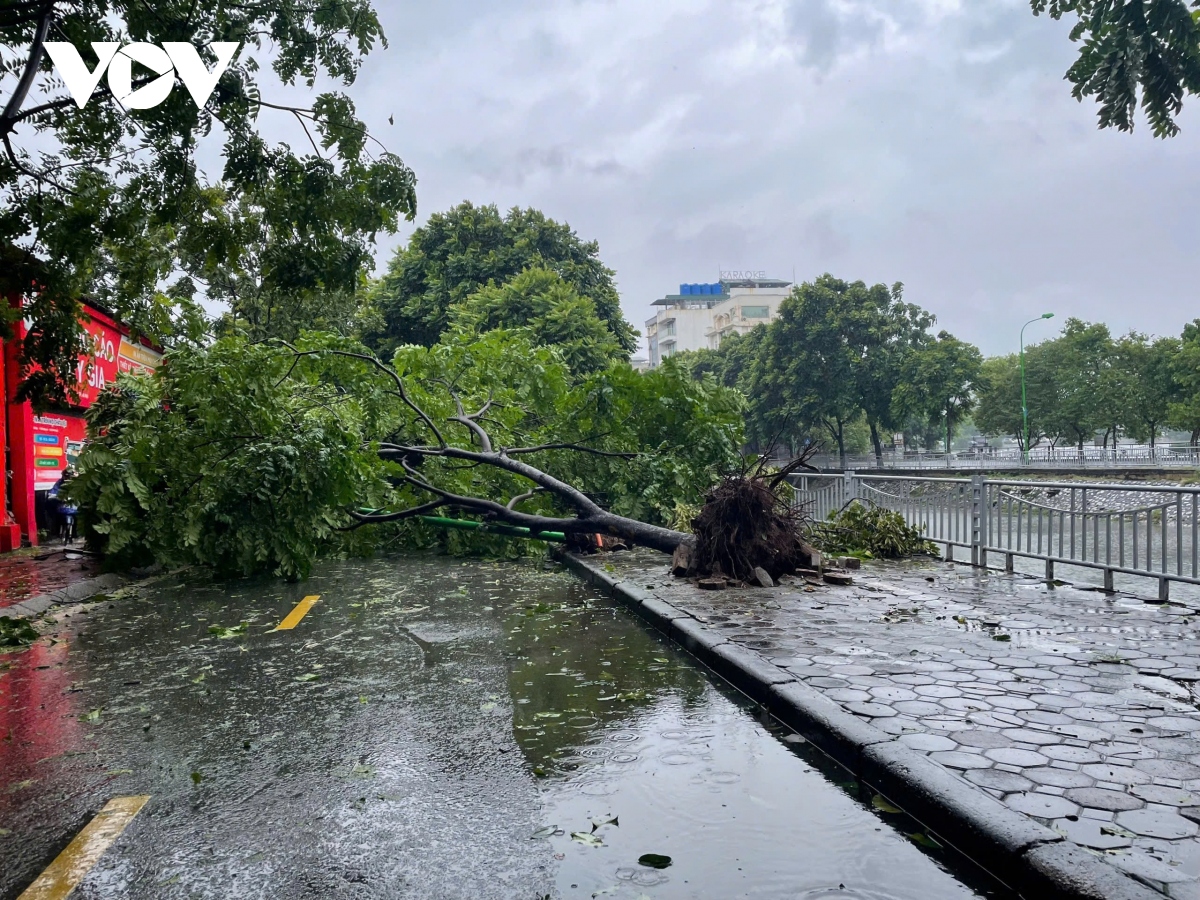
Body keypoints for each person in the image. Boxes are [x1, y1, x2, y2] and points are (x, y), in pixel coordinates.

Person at [48, 466, 79, 543]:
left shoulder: (78, 483)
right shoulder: (59, 483)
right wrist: (58, 497)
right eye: (65, 476)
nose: (67, 478)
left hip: (75, 506)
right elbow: (52, 493)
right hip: (62, 505)